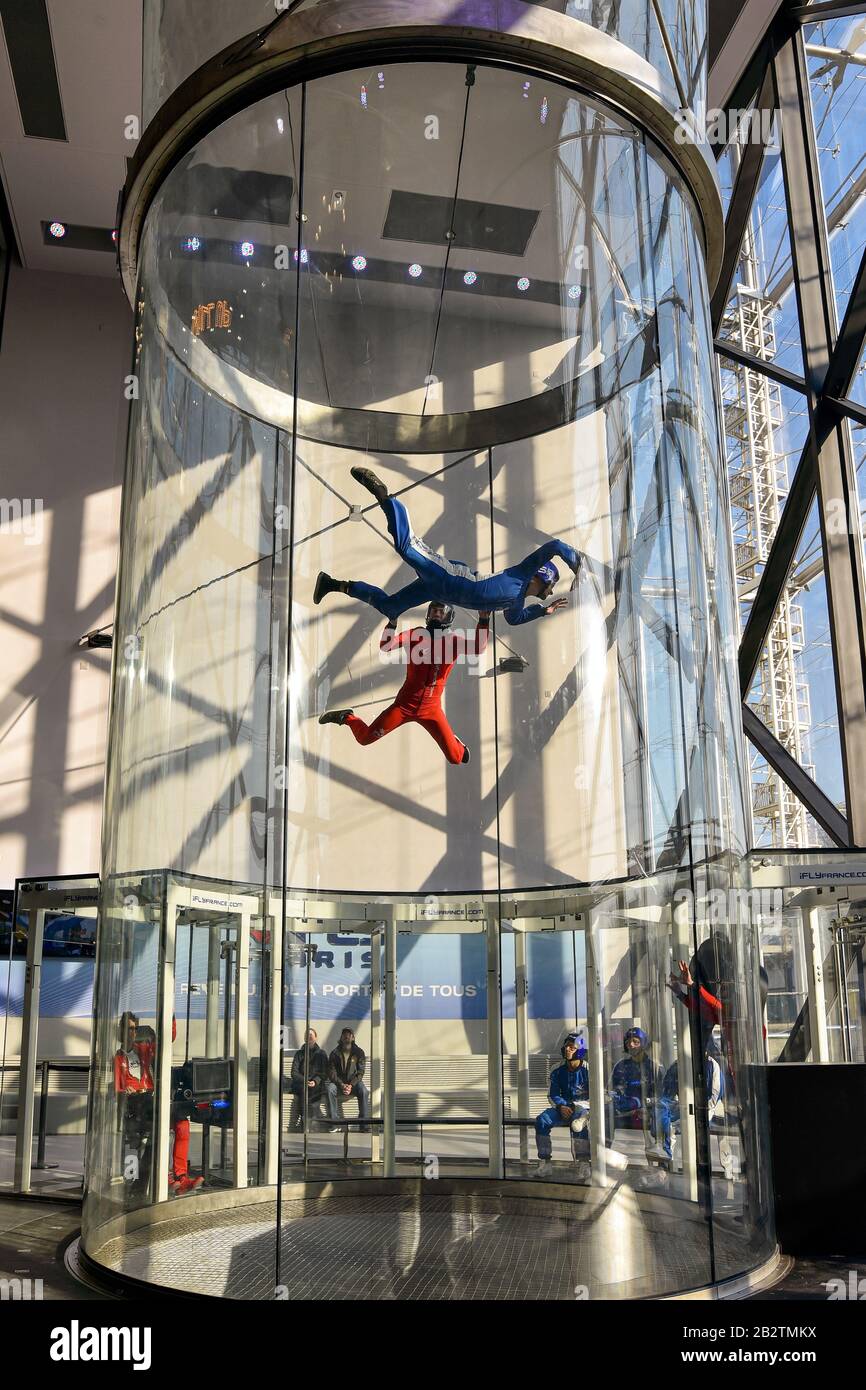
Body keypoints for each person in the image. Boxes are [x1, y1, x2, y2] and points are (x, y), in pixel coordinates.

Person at [314, 466, 581, 626]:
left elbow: (515, 619)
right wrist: (576, 563)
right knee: (406, 547)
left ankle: (333, 584)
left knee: (391, 608)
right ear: (540, 576)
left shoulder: (517, 602)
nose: (551, 590)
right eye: (551, 584)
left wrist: (543, 611)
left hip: (439, 591)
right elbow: (554, 546)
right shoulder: (521, 574)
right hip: (449, 577)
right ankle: (386, 498)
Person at [319, 603, 489, 765]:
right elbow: (386, 646)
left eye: (441, 611)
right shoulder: (416, 634)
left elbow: (479, 648)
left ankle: (454, 741)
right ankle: (347, 717)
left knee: (456, 758)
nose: (436, 614)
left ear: (449, 617)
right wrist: (392, 623)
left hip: (431, 709)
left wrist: (483, 620)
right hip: (404, 706)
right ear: (428, 614)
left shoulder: (454, 641)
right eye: (433, 611)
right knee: (364, 738)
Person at [535, 1033, 591, 1179]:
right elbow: (552, 1094)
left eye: (572, 1047)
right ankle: (545, 1162)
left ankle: (584, 1163)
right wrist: (561, 1106)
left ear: (580, 1051)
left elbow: (596, 1095)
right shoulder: (556, 1069)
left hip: (582, 1109)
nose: (567, 1049)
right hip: (562, 1108)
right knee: (542, 1120)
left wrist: (576, 1106)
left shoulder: (589, 1069)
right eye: (566, 1046)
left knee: (578, 1125)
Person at [114, 1011, 154, 1200]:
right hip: (133, 1105)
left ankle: (141, 1186)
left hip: (148, 1099)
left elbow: (165, 1041)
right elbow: (118, 1087)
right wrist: (125, 1090)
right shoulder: (119, 1057)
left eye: (135, 1029)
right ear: (122, 1030)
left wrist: (170, 1016)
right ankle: (132, 1185)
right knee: (135, 1145)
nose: (133, 1032)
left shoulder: (142, 1050)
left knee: (152, 1143)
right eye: (130, 1029)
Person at [654, 1054, 723, 1163]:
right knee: (663, 1113)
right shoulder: (677, 1064)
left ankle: (668, 1156)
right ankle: (665, 1156)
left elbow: (715, 1094)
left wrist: (700, 1108)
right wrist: (673, 1104)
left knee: (681, 1126)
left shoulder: (712, 1065)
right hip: (681, 1106)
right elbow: (667, 1092)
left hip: (705, 1108)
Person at [609, 1027, 663, 1138]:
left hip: (648, 1120)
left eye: (635, 1042)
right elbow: (611, 1092)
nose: (631, 1045)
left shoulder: (653, 1067)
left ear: (643, 1043)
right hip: (623, 1120)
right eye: (628, 1042)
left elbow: (661, 1096)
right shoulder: (620, 1066)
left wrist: (647, 1107)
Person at [289, 1028, 333, 1129]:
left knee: (313, 1090)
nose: (309, 1037)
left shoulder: (322, 1054)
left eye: (311, 1035)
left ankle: (308, 1121)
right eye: (307, 1035)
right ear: (304, 1038)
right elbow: (294, 1073)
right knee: (304, 1090)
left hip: (317, 1084)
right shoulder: (299, 1054)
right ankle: (307, 1121)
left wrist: (315, 1081)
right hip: (301, 1084)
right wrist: (305, 1081)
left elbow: (325, 1073)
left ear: (316, 1038)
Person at [327, 1028, 370, 1132]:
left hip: (354, 1084)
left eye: (349, 1035)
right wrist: (342, 1085)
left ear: (353, 1038)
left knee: (364, 1091)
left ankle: (363, 1124)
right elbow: (332, 1073)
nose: (347, 1036)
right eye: (344, 1035)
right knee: (330, 1089)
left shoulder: (359, 1052)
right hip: (339, 1084)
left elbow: (360, 1072)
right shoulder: (334, 1053)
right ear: (341, 1038)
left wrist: (351, 1085)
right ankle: (335, 1123)